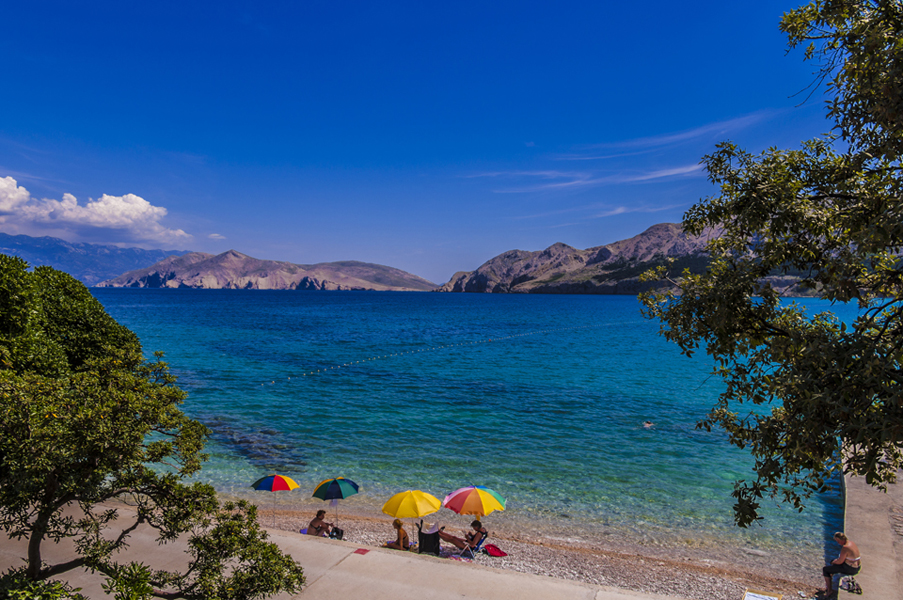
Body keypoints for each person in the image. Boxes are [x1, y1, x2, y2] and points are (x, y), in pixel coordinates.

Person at [821, 531, 861, 597]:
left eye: (838, 541)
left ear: (842, 540)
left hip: (850, 569)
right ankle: (830, 579)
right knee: (834, 566)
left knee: (825, 569)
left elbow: (840, 561)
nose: (838, 543)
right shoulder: (851, 543)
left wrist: (833, 562)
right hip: (857, 567)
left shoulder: (845, 547)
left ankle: (829, 591)